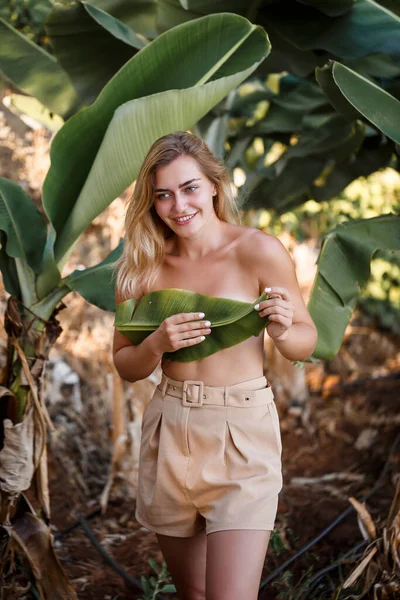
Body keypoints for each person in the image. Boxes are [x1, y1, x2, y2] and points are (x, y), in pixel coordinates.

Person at [113, 131, 318, 600]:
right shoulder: (141, 266)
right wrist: (158, 344)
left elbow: (305, 342)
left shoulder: (258, 250)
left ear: (213, 186)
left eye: (189, 188)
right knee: (196, 595)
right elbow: (125, 365)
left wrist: (285, 329)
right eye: (162, 194)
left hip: (241, 432)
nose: (178, 205)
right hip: (170, 428)